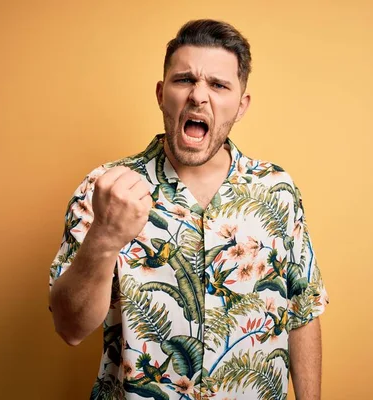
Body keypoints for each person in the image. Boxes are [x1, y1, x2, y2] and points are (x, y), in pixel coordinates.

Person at [49, 19, 329, 400]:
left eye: (218, 84)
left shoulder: (276, 191)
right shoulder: (105, 189)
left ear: (241, 105)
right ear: (162, 94)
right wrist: (105, 237)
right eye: (184, 80)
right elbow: (70, 328)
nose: (199, 96)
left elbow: (302, 312)